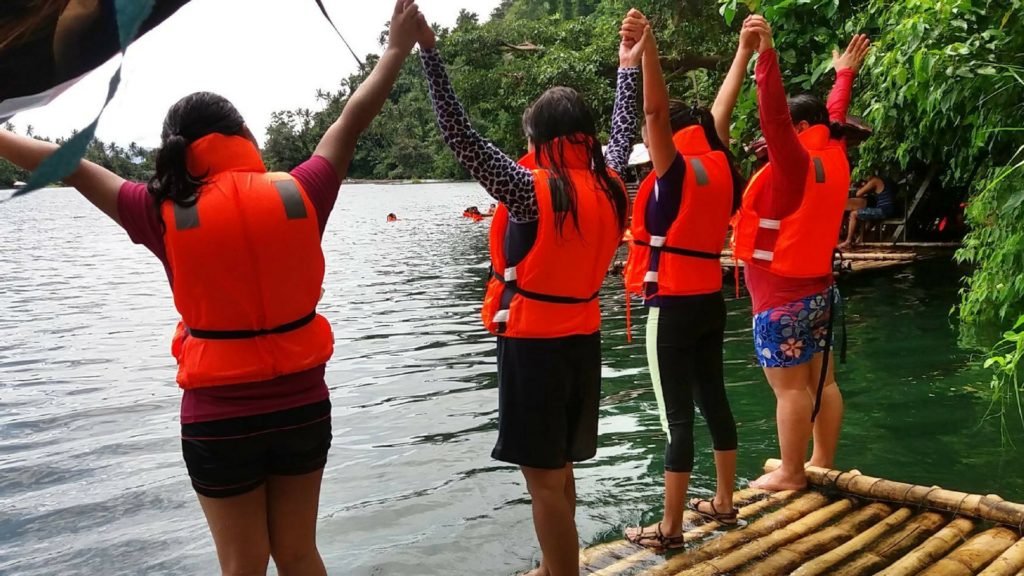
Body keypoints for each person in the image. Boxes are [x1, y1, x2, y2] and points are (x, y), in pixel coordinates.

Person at [0, 1, 425, 574]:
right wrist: (396, 49)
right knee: (299, 552)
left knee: (241, 566)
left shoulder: (160, 211)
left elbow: (71, 165)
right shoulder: (302, 192)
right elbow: (350, 119)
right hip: (302, 407)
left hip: (217, 420)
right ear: (243, 134)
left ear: (177, 146)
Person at [417, 9, 638, 575]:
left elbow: (460, 136)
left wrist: (429, 54)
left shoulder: (528, 190)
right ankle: (552, 565)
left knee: (542, 481)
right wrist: (628, 69)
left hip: (535, 347)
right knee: (560, 468)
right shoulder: (612, 182)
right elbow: (622, 133)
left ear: (538, 138)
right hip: (584, 341)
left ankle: (560, 573)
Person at [620, 10, 753, 549]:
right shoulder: (716, 160)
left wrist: (648, 49)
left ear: (669, 137)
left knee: (676, 420)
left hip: (671, 308)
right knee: (714, 401)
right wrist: (742, 53)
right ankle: (724, 503)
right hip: (710, 302)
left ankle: (670, 529)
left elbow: (652, 108)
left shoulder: (673, 170)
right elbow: (721, 108)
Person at [731, 16, 870, 491]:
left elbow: (773, 116)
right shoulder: (834, 155)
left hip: (781, 300)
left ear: (801, 127)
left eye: (789, 130)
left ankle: (792, 473)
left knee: (789, 389)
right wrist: (843, 75)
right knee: (823, 383)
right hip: (820, 296)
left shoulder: (793, 165)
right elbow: (834, 115)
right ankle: (821, 460)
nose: (775, 138)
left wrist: (763, 56)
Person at [838, 174, 897, 249]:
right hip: (890, 209)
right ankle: (859, 239)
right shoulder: (885, 180)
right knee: (869, 220)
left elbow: (858, 193)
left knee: (853, 214)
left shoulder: (874, 181)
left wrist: (865, 188)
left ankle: (848, 241)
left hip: (883, 211)